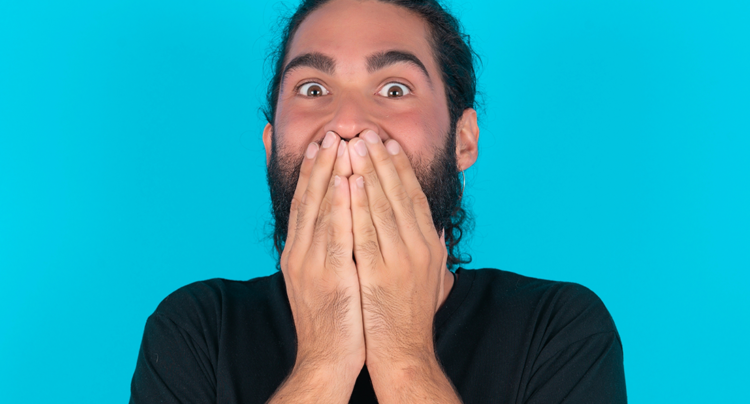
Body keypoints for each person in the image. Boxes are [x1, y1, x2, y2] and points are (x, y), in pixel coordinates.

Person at [129, 0, 627, 403]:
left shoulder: (559, 330)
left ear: (463, 140)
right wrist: (323, 363)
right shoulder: (196, 331)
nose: (347, 123)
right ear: (271, 144)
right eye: (313, 88)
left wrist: (405, 357)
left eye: (393, 88)